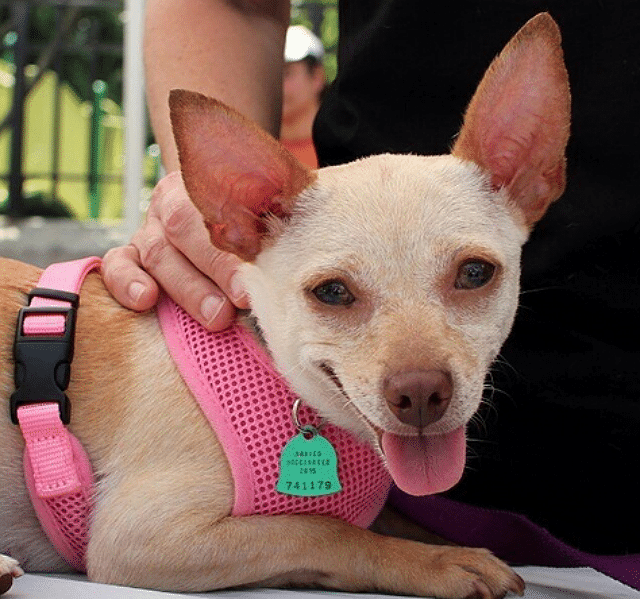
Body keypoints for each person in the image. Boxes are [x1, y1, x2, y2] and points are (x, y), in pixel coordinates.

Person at [102, 0, 640, 588]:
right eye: (335, 292)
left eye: (471, 276)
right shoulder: (229, 392)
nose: (416, 378)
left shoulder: (504, 190)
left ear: (530, 174)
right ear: (238, 216)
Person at [280, 25, 326, 168]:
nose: (275, 83)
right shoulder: (253, 153)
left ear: (317, 77)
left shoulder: (343, 147)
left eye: (287, 73)